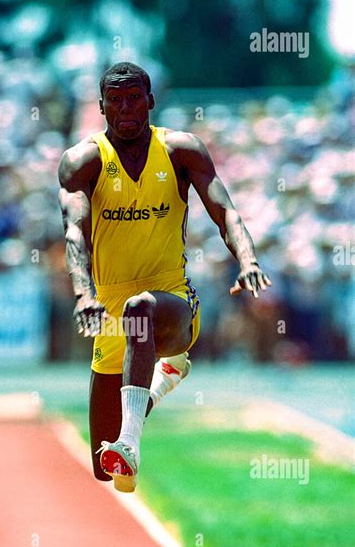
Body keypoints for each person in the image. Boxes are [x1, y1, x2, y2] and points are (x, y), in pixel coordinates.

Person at [58, 62, 271, 493]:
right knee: (106, 470)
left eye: (134, 97)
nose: (126, 108)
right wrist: (84, 294)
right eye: (115, 100)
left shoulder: (181, 151)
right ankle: (161, 382)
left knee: (142, 308)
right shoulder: (83, 162)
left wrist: (247, 260)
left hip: (171, 299)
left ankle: (132, 440)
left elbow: (225, 210)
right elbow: (74, 233)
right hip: (110, 307)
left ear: (151, 100)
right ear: (101, 107)